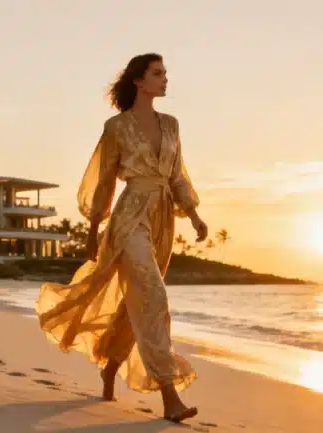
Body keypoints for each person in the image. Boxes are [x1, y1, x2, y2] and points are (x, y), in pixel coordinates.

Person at [35, 53, 208, 424]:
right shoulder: (116, 127)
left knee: (138, 302)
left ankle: (110, 365)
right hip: (129, 217)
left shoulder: (172, 125)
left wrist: (193, 215)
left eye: (165, 73)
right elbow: (105, 181)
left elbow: (177, 175)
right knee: (154, 293)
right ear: (138, 81)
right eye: (158, 73)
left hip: (163, 220)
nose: (166, 79)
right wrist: (95, 227)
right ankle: (169, 394)